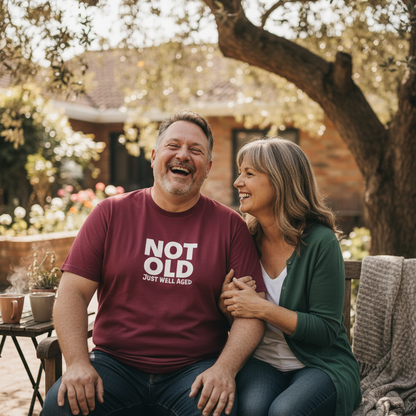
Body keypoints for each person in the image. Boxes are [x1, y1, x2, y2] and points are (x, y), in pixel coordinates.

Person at [41, 110, 266, 416]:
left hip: (194, 371)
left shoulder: (230, 226)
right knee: (61, 409)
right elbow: (72, 293)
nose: (183, 156)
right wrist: (78, 363)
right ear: (154, 156)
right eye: (173, 146)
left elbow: (252, 314)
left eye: (195, 150)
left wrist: (224, 369)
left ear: (208, 167)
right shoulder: (110, 214)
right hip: (114, 365)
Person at [220, 137, 362, 416]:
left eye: (249, 174)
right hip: (261, 362)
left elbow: (325, 330)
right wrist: (226, 305)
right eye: (240, 172)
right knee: (251, 408)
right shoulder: (243, 238)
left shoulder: (320, 242)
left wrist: (262, 308)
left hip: (320, 365)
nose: (238, 182)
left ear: (280, 182)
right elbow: (236, 318)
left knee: (286, 411)